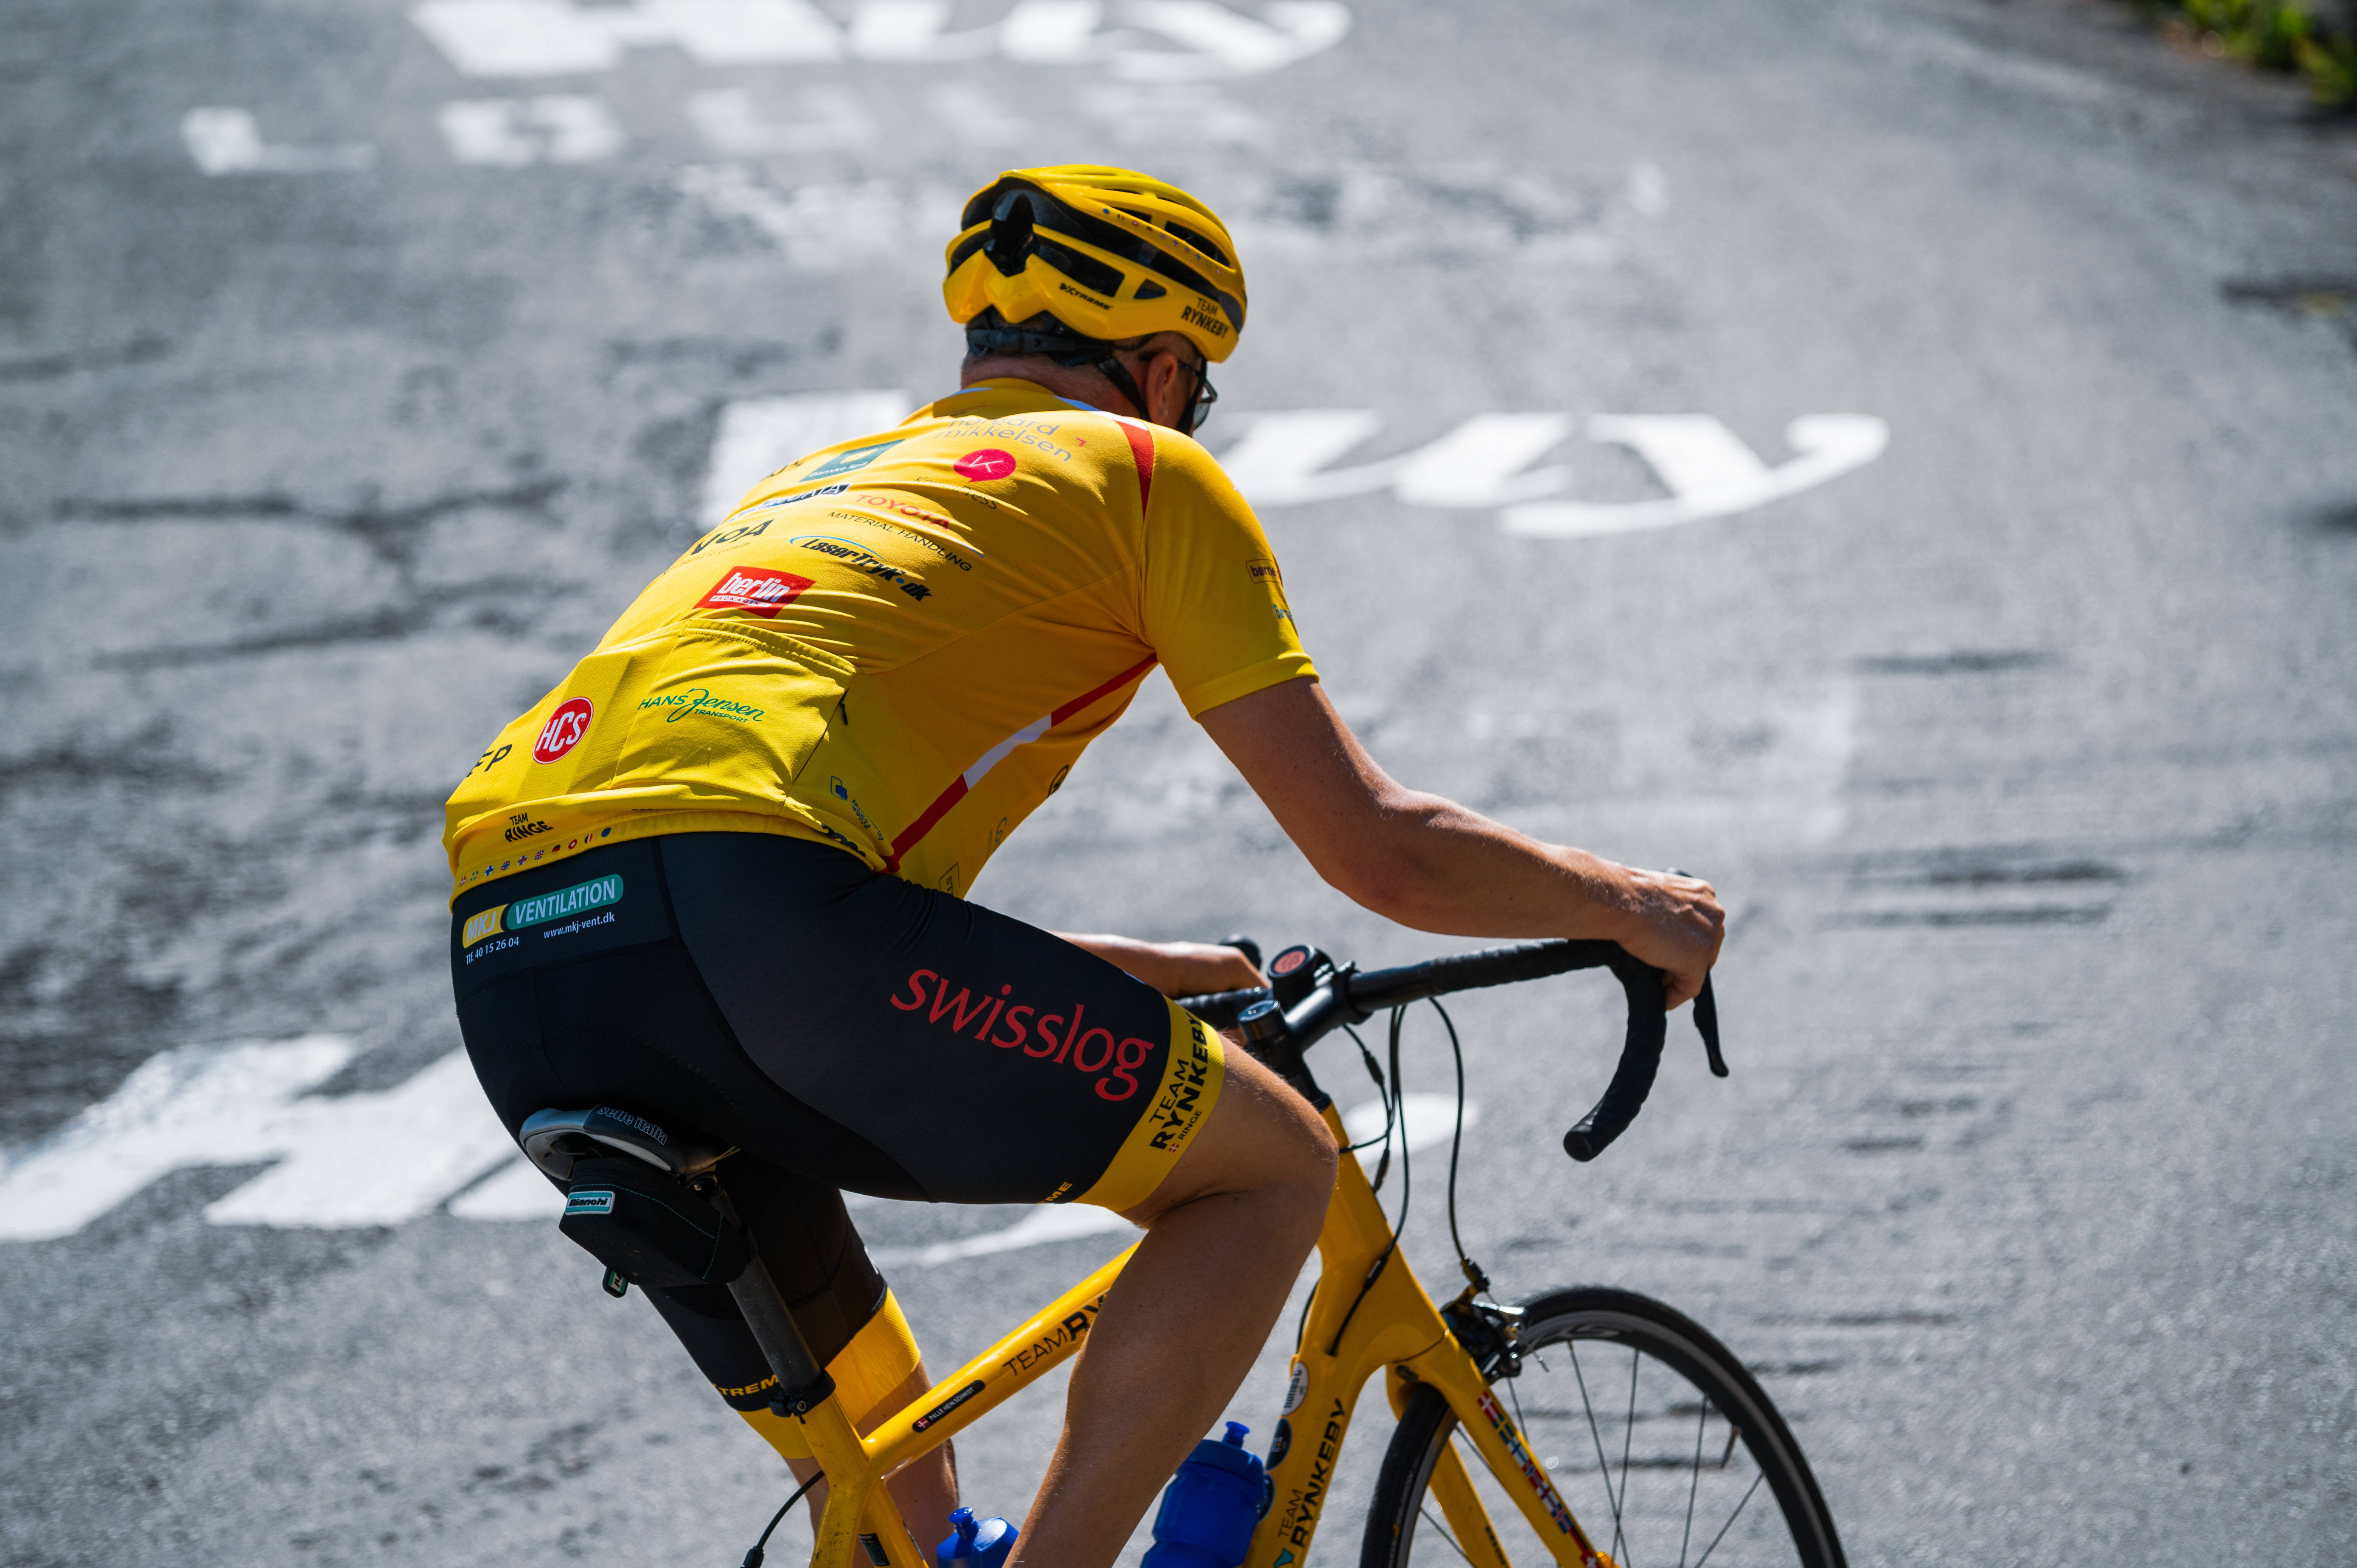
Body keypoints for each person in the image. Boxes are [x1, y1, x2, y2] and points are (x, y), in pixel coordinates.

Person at [442, 165, 1723, 1568]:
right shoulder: (1143, 473)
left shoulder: (820, 487)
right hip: (759, 926)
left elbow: (808, 911)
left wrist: (1151, 976)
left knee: (895, 1507)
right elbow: (1381, 851)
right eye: (1199, 389)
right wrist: (1636, 909)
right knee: (1270, 1169)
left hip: (522, 962)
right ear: (1165, 369)